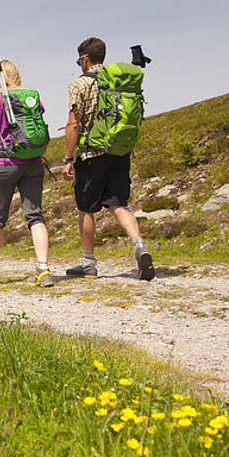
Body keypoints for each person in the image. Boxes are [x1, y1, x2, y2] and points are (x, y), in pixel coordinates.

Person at [61, 37, 155, 280]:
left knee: (86, 209)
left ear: (84, 59)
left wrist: (68, 158)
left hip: (92, 154)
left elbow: (74, 123)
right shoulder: (119, 82)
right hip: (119, 151)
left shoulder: (79, 84)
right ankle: (139, 246)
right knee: (118, 204)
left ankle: (88, 263)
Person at [0, 59, 52, 286]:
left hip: (6, 163)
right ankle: (43, 268)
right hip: (33, 161)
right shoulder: (32, 94)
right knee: (35, 216)